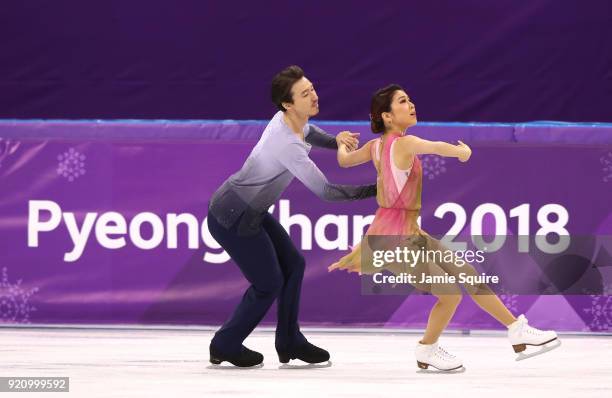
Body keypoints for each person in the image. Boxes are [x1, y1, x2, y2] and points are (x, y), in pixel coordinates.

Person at [329, 84, 559, 371]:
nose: (411, 104)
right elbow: (434, 147)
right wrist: (460, 152)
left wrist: (340, 141)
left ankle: (517, 330)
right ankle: (427, 349)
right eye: (402, 101)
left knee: (468, 273)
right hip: (393, 239)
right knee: (450, 293)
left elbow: (344, 160)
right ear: (387, 116)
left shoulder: (374, 147)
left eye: (410, 99)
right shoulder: (403, 143)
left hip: (408, 232)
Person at [206, 65, 376, 367]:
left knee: (294, 265)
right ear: (288, 103)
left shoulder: (290, 121)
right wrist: (376, 189)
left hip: (249, 210)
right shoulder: (287, 144)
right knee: (268, 283)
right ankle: (225, 344)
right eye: (305, 94)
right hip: (233, 216)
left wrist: (336, 140)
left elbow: (310, 131)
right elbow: (326, 191)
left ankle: (289, 341)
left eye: (312, 89)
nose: (314, 96)